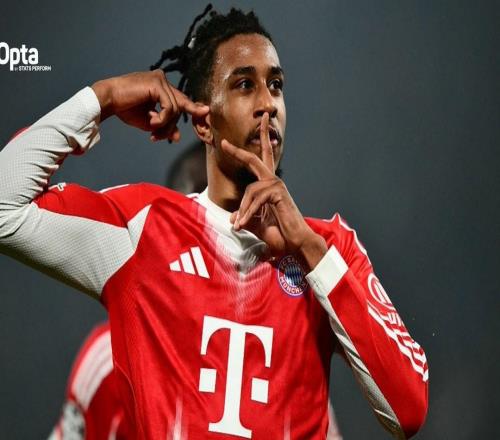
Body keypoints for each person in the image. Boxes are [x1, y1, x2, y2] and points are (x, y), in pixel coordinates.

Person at [0, 5, 428, 439]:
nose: (267, 104)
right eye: (244, 85)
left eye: (275, 85)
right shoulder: (143, 230)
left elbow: (407, 412)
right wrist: (103, 98)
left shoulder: (330, 248)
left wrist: (310, 248)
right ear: (203, 122)